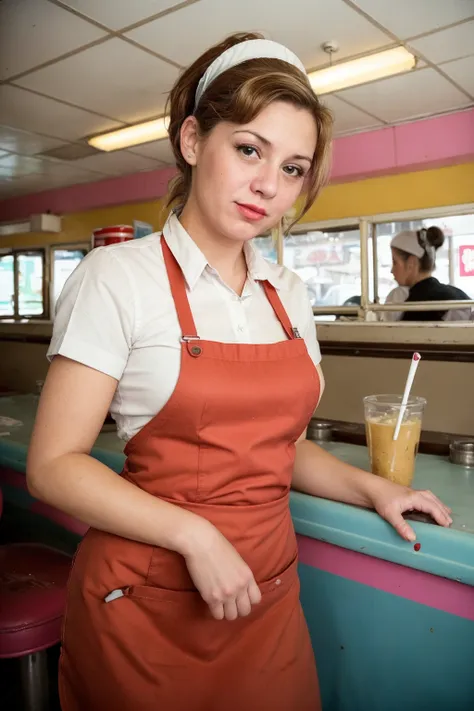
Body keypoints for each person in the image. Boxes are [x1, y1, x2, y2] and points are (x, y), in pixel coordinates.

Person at [26, 33, 452, 711]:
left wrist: (373, 488)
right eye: (249, 149)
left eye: (292, 168)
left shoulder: (289, 293)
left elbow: (282, 447)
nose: (267, 185)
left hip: (267, 598)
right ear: (194, 140)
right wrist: (194, 533)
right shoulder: (118, 279)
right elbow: (52, 463)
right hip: (148, 608)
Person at [390, 227, 472, 321]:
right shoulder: (459, 295)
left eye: (395, 262)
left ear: (411, 263)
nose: (392, 270)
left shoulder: (417, 307)